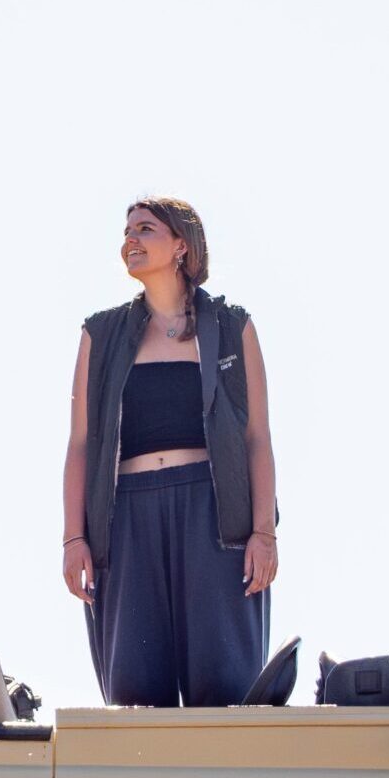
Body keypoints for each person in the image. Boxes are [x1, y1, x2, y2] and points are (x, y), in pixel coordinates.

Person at [62, 197, 278, 707]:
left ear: (182, 245)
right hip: (126, 516)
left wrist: (264, 532)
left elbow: (257, 439)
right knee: (135, 696)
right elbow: (80, 445)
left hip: (215, 515)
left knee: (225, 693)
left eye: (145, 229)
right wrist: (74, 538)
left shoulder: (231, 325)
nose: (130, 240)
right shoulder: (101, 333)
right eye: (127, 231)